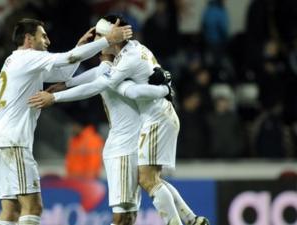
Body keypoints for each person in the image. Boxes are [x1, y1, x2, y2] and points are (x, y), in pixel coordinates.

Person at [29, 15, 209, 225]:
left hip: (130, 140)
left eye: (99, 37)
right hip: (145, 126)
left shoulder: (124, 63)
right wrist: (65, 84)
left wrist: (56, 96)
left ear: (112, 38)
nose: (95, 42)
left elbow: (99, 83)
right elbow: (99, 74)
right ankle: (191, 220)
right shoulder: (128, 53)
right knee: (148, 185)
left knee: (131, 206)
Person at [0, 18, 132, 225]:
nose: (48, 41)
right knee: (33, 206)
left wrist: (80, 48)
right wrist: (107, 40)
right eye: (43, 36)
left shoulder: (16, 61)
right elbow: (66, 58)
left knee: (10, 210)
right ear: (28, 39)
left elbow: (63, 71)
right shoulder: (27, 58)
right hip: (14, 142)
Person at [45, 51, 169, 224]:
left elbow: (85, 81)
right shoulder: (110, 72)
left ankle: (186, 218)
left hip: (129, 147)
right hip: (122, 149)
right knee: (123, 215)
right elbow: (90, 86)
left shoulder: (118, 70)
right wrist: (165, 88)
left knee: (129, 215)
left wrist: (64, 86)